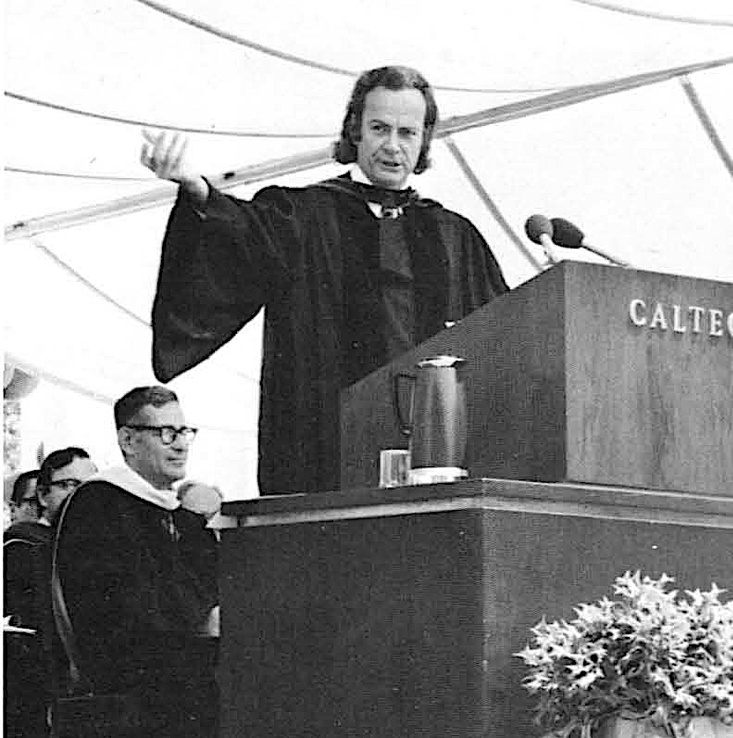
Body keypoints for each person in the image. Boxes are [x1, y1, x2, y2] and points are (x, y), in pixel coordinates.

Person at [141, 64, 509, 496]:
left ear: (424, 139)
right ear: (355, 132)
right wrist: (197, 189)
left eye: (407, 133)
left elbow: (501, 333)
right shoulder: (302, 216)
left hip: (433, 457)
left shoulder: (453, 235)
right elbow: (239, 233)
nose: (393, 146)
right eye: (379, 128)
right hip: (324, 449)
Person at [53, 385, 220, 738]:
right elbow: (136, 612)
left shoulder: (169, 508)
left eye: (184, 431)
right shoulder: (99, 505)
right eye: (165, 432)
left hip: (171, 687)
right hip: (132, 697)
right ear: (128, 440)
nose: (181, 444)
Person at [3, 449, 96, 738]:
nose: (81, 495)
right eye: (70, 485)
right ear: (43, 495)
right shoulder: (24, 545)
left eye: (89, 487)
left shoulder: (89, 546)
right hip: (37, 687)